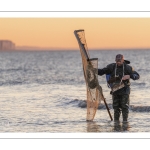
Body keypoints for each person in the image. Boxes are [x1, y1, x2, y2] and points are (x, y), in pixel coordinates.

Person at [98, 54, 140, 122]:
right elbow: (102, 72)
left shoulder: (127, 68)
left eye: (120, 61)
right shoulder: (112, 67)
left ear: (123, 60)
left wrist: (129, 76)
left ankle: (125, 123)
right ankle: (116, 124)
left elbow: (137, 76)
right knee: (116, 108)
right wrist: (93, 70)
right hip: (115, 90)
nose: (118, 62)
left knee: (125, 107)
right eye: (117, 61)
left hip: (125, 90)